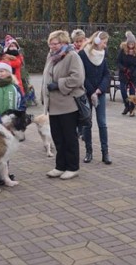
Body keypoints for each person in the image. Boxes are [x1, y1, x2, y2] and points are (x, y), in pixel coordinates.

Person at [41, 30, 86, 180]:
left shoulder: (72, 56)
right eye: (51, 43)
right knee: (58, 138)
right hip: (53, 105)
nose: (52, 46)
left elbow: (77, 78)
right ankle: (60, 166)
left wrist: (59, 84)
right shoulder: (51, 56)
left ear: (64, 42)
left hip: (68, 104)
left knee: (69, 138)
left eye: (56, 43)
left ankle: (72, 167)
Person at [78, 31, 112, 165]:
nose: (105, 45)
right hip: (86, 93)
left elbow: (106, 74)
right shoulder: (83, 54)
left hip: (99, 93)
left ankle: (105, 153)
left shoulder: (104, 55)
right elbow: (82, 75)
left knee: (102, 123)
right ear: (97, 41)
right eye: (104, 42)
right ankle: (88, 152)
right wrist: (91, 91)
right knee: (87, 123)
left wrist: (99, 90)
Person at [117, 30, 136, 115]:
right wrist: (123, 69)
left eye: (132, 44)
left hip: (133, 74)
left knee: (132, 92)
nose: (131, 46)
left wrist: (135, 72)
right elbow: (118, 62)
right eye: (129, 44)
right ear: (127, 43)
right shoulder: (122, 50)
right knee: (123, 90)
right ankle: (126, 106)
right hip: (124, 73)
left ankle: (132, 108)